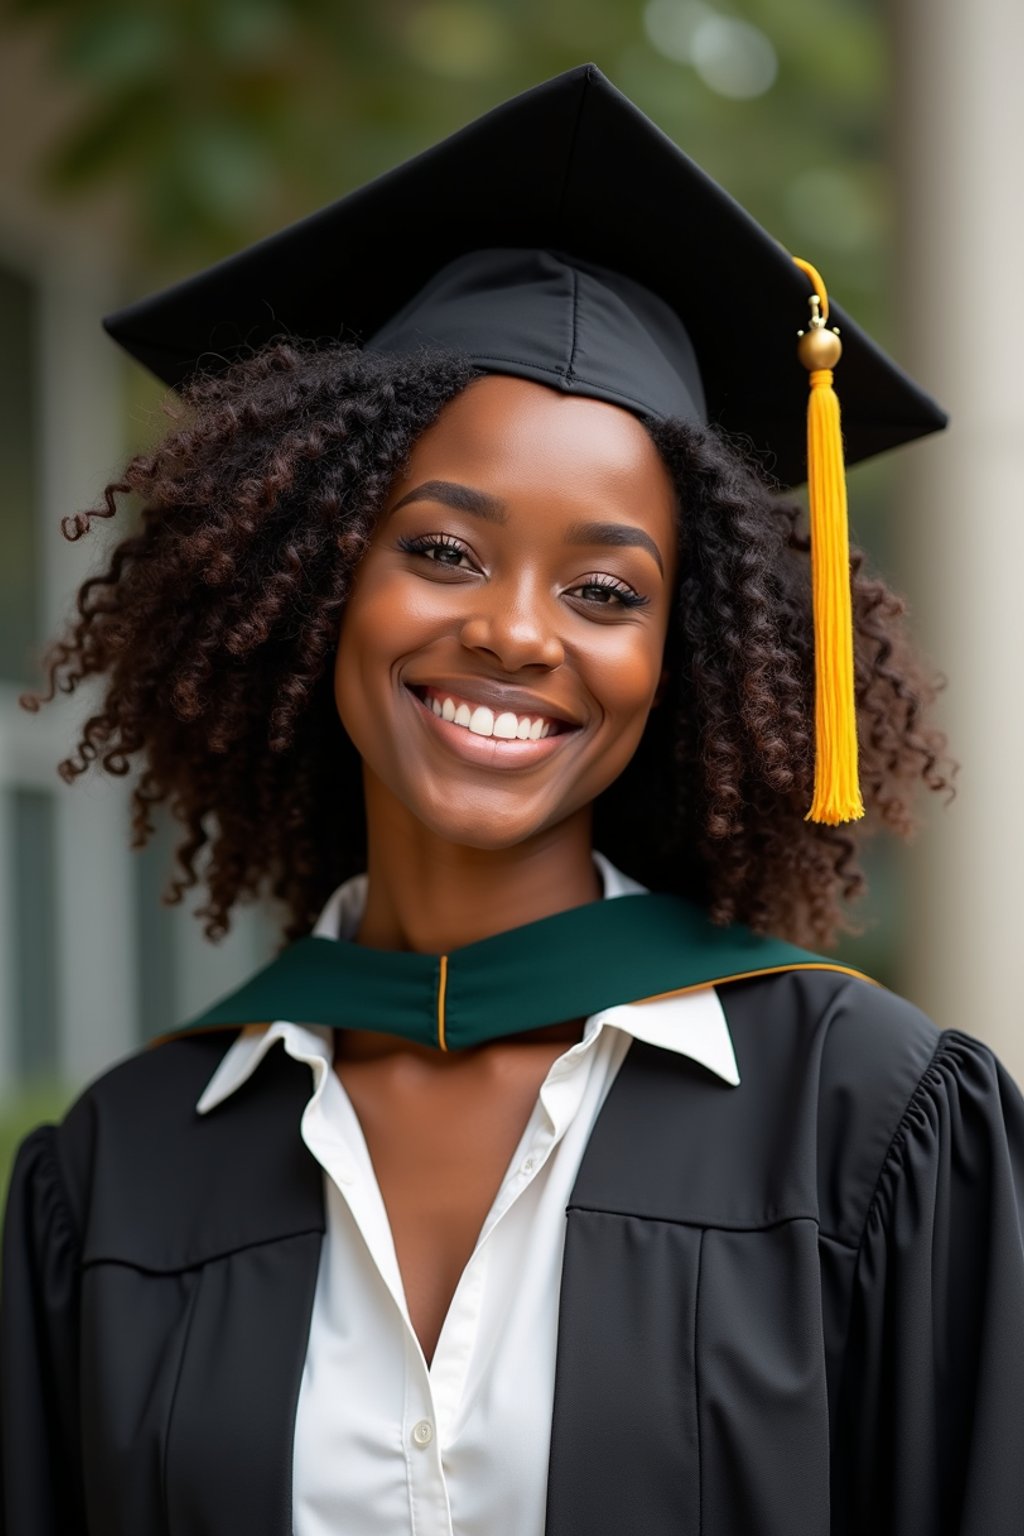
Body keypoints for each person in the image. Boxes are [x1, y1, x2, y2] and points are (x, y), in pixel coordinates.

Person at [2, 62, 1022, 1536]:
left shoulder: (867, 1121)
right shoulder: (122, 1173)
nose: (520, 633)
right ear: (315, 579)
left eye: (607, 589)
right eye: (443, 550)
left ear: (681, 656)